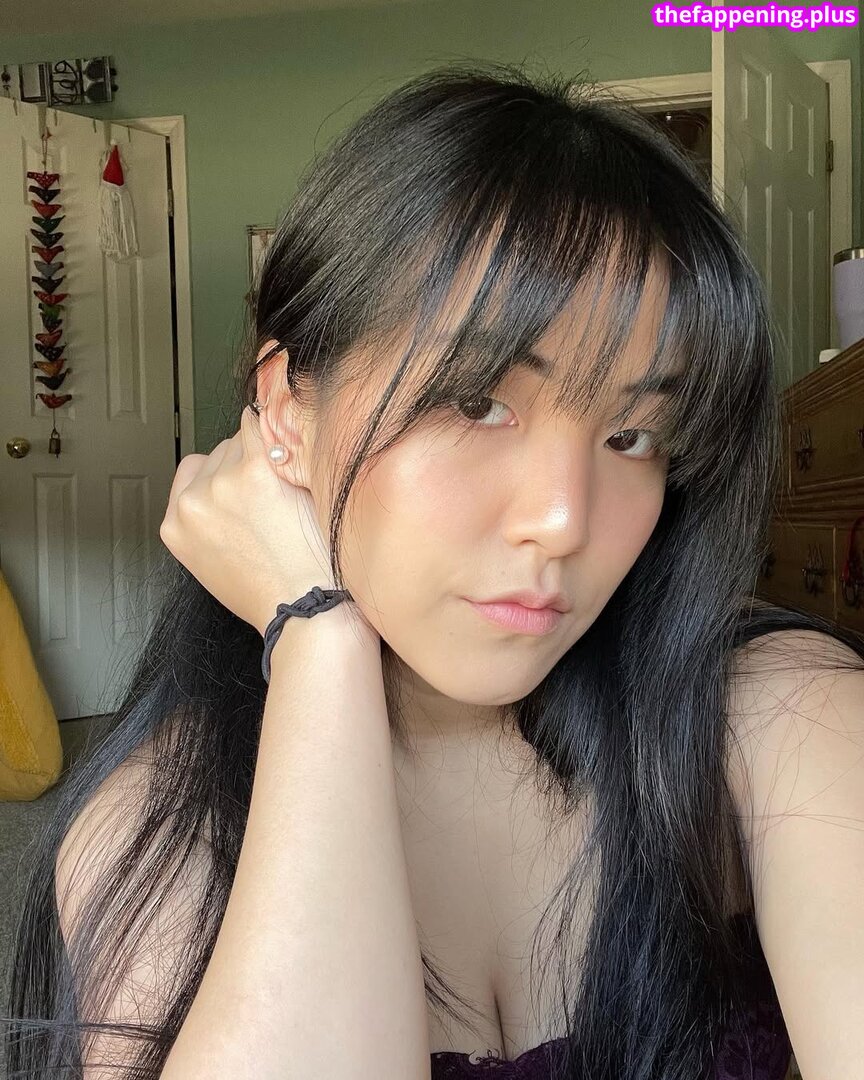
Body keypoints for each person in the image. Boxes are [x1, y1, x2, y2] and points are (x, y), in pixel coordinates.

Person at [4, 60, 864, 1080]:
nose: (563, 520)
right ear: (286, 408)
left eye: (633, 435)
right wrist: (318, 641)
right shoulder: (159, 824)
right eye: (476, 402)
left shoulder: (779, 717)